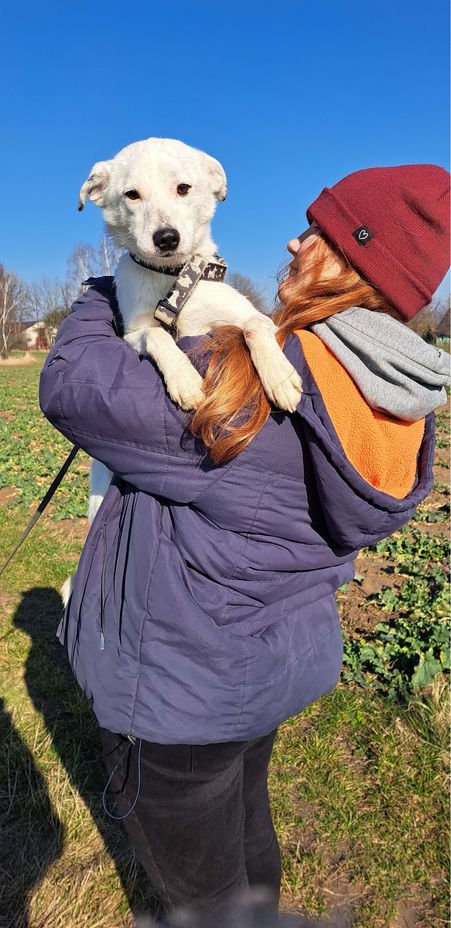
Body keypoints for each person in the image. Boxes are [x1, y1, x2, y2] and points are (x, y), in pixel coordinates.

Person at [39, 164, 450, 919]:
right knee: (244, 816)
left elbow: (72, 389)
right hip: (273, 662)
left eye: (318, 233)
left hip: (180, 689)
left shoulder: (242, 376)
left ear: (354, 261)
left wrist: (109, 290)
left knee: (197, 889)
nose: (292, 241)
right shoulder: (400, 390)